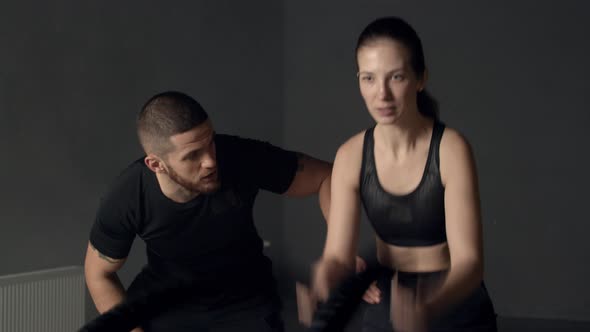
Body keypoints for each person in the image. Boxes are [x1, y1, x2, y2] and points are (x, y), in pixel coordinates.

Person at [84, 91, 332, 332]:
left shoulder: (239, 156)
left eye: (210, 142)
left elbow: (328, 177)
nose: (210, 161)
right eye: (192, 155)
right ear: (156, 164)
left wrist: (338, 254)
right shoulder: (129, 194)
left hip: (244, 302)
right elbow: (98, 274)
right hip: (165, 304)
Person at [311, 17, 497, 331]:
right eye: (368, 78)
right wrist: (326, 277)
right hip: (389, 295)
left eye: (395, 77)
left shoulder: (451, 149)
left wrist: (428, 306)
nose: (381, 94)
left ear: (420, 78)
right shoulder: (350, 154)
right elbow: (338, 257)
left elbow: (470, 264)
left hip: (452, 296)